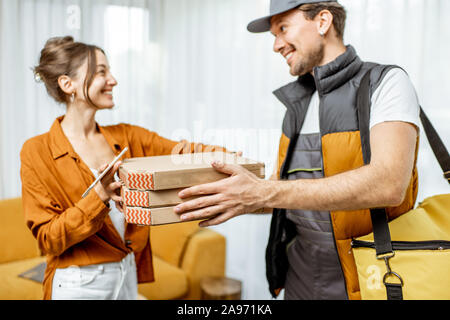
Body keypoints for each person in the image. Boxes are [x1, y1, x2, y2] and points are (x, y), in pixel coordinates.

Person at [174, 0, 420, 300]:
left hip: (372, 278)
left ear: (322, 21)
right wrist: (225, 194)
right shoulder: (298, 104)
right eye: (273, 35)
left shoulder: (386, 83)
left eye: (283, 28)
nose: (276, 45)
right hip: (300, 277)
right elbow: (287, 194)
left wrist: (261, 192)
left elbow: (389, 184)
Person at [20, 36, 225, 300]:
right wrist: (99, 197)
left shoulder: (128, 137)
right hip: (77, 286)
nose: (113, 80)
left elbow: (181, 151)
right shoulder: (37, 151)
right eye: (101, 72)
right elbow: (49, 239)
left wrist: (229, 159)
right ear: (67, 83)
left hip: (127, 276)